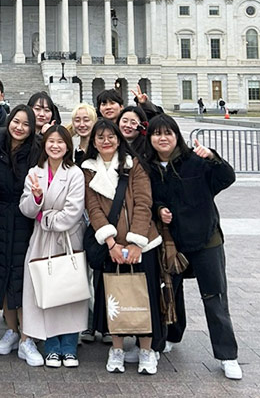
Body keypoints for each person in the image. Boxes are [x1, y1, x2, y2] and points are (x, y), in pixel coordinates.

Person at [144, 114, 242, 380]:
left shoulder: (196, 162)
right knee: (169, 294)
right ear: (150, 138)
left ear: (176, 135)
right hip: (172, 243)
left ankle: (227, 355)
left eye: (167, 133)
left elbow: (226, 178)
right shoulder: (149, 168)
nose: (162, 138)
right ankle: (169, 337)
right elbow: (149, 199)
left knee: (215, 298)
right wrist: (159, 209)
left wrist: (213, 157)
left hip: (205, 239)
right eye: (156, 134)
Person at [82, 119, 163, 375]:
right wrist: (111, 243)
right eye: (100, 137)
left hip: (142, 243)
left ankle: (146, 350)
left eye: (111, 136)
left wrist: (136, 242)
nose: (106, 141)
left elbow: (143, 203)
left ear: (118, 138)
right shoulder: (88, 169)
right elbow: (92, 208)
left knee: (144, 295)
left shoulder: (133, 164)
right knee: (114, 296)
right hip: (112, 244)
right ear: (93, 142)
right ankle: (116, 348)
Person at [0, 105, 45, 366]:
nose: (19, 127)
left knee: (23, 277)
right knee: (3, 275)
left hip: (25, 217)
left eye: (25, 124)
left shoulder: (36, 150)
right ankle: (12, 330)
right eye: (15, 122)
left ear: (31, 129)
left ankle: (27, 338)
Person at [19, 125, 87, 369]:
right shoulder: (34, 172)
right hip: (41, 240)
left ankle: (69, 344)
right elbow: (26, 209)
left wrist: (46, 218)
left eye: (60, 141)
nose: (55, 145)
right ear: (44, 144)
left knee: (69, 291)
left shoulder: (75, 173)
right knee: (44, 290)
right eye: (51, 141)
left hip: (68, 238)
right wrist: (37, 198)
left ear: (68, 146)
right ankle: (51, 344)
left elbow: (73, 211)